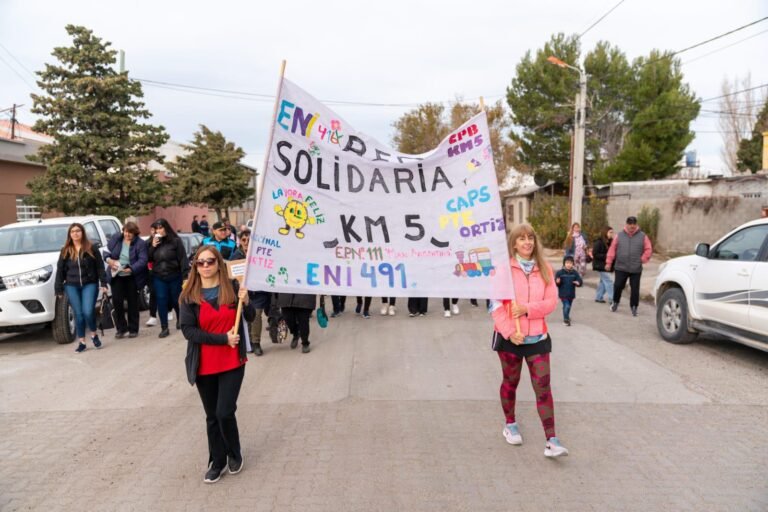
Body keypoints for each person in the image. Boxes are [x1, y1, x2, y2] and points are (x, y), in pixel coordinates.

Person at [489, 223, 568, 458]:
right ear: (513, 243)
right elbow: (495, 306)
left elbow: (551, 302)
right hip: (510, 339)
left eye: (530, 238)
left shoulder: (544, 268)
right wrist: (508, 332)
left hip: (537, 338)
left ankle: (551, 440)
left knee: (543, 387)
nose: (527, 242)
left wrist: (526, 309)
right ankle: (510, 423)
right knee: (510, 382)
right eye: (522, 239)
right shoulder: (503, 270)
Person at [179, 246, 255, 484]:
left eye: (210, 261)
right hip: (204, 364)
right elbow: (189, 331)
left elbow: (250, 316)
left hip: (232, 360)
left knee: (224, 411)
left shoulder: (232, 288)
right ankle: (217, 460)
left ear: (218, 263)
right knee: (212, 415)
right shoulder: (188, 296)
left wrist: (248, 301)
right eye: (199, 263)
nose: (205, 266)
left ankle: (234, 452)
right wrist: (223, 338)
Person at [55, 223, 108, 353]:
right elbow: (60, 270)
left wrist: (103, 283)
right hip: (71, 285)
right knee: (78, 314)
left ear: (82, 232)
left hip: (89, 284)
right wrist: (59, 289)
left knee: (88, 311)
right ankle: (82, 342)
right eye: (73, 231)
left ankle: (94, 334)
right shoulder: (65, 250)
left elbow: (100, 266)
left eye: (78, 231)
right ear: (70, 234)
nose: (75, 233)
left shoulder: (91, 248)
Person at [105, 222, 148, 338]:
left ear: (135, 233)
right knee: (117, 302)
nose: (127, 234)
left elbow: (143, 260)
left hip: (132, 276)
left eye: (130, 233)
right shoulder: (116, 240)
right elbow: (106, 252)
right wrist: (109, 260)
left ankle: (133, 329)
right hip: (117, 275)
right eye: (125, 232)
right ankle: (121, 329)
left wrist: (131, 269)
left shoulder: (140, 244)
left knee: (132, 303)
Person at [148, 218, 188, 338]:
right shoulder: (152, 242)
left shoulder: (175, 241)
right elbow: (148, 258)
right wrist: (153, 246)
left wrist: (185, 275)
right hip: (159, 276)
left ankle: (180, 319)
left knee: (176, 299)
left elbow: (183, 259)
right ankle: (164, 327)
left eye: (161, 228)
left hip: (174, 275)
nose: (159, 231)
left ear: (166, 228)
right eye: (157, 229)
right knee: (161, 300)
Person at [606, 216, 653, 317]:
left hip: (635, 268)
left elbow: (648, 249)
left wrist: (642, 259)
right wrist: (609, 262)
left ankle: (634, 306)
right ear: (626, 224)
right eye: (630, 223)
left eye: (633, 224)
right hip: (621, 267)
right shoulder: (619, 236)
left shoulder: (642, 236)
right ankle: (615, 302)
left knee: (635, 289)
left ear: (636, 224)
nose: (632, 226)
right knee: (618, 286)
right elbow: (612, 249)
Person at [233, 230, 270, 357]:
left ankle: (256, 343)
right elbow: (232, 274)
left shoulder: (261, 253)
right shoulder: (236, 255)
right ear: (240, 241)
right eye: (244, 240)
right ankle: (246, 342)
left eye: (249, 240)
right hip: (244, 292)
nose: (246, 243)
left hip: (259, 292)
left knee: (256, 316)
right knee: (246, 318)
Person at [555, 256, 583, 326]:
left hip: (571, 294)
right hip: (563, 294)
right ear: (564, 263)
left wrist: (578, 283)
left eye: (570, 263)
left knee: (568, 306)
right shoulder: (559, 273)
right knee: (567, 306)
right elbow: (556, 282)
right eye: (567, 263)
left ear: (573, 264)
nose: (568, 264)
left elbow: (579, 280)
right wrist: (557, 282)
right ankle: (566, 320)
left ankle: (566, 315)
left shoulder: (575, 273)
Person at [592, 226, 614, 304]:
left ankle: (599, 297)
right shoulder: (599, 242)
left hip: (607, 265)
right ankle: (612, 299)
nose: (612, 234)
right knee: (609, 281)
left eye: (612, 232)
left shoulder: (611, 242)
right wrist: (607, 256)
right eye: (610, 232)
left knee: (603, 282)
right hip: (600, 265)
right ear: (605, 233)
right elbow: (595, 254)